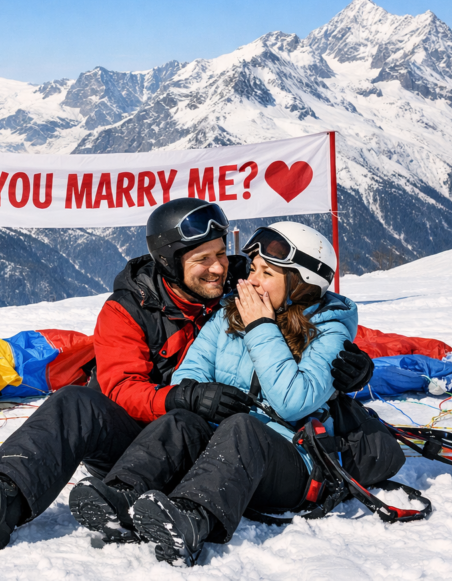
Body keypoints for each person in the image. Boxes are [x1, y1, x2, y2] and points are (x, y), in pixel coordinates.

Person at [0, 201, 372, 553]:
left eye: (223, 254)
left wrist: (359, 369)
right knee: (74, 401)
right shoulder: (128, 311)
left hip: (218, 441)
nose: (220, 269)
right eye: (203, 260)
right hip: (148, 436)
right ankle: (0, 500)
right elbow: (121, 389)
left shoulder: (247, 284)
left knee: (219, 428)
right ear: (172, 262)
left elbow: (314, 324)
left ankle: (170, 508)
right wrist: (183, 398)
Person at [123, 221, 357, 564]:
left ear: (301, 285)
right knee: (182, 418)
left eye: (267, 273)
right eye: (253, 269)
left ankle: (192, 520)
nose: (252, 280)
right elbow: (187, 374)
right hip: (228, 456)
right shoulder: (231, 312)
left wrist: (261, 327)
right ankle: (122, 494)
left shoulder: (329, 330)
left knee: (244, 427)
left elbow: (293, 403)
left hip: (290, 460)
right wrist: (203, 397)